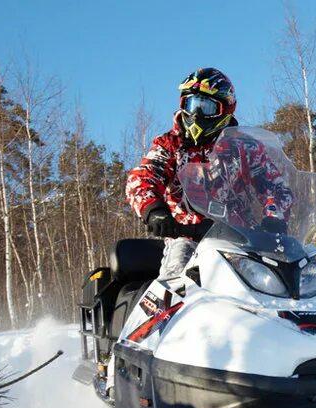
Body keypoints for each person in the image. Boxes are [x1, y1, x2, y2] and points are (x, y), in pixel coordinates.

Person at [125, 68, 293, 279]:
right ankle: (172, 310)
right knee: (177, 276)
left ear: (226, 109)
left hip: (239, 239)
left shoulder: (244, 148)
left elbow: (274, 186)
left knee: (271, 281)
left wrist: (273, 217)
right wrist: (154, 210)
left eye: (206, 107)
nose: (196, 114)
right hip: (185, 235)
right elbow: (143, 176)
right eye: (190, 104)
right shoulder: (170, 145)